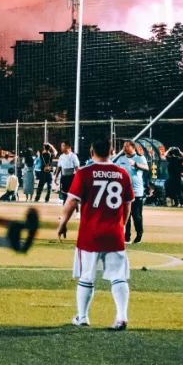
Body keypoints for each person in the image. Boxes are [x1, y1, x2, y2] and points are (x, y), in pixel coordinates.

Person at [56, 136, 134, 330]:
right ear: (112, 151)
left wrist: (62, 223)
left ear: (92, 153)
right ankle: (121, 317)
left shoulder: (84, 173)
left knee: (87, 276)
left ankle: (82, 317)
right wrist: (121, 225)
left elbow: (72, 202)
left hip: (90, 234)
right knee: (118, 276)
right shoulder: (122, 173)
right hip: (114, 233)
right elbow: (127, 205)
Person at [115, 140, 147, 243]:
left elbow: (146, 168)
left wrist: (136, 164)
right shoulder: (120, 159)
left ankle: (139, 234)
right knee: (125, 215)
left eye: (127, 146)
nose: (124, 148)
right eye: (124, 146)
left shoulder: (140, 158)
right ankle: (126, 236)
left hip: (136, 191)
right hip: (123, 191)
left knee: (136, 215)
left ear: (133, 147)